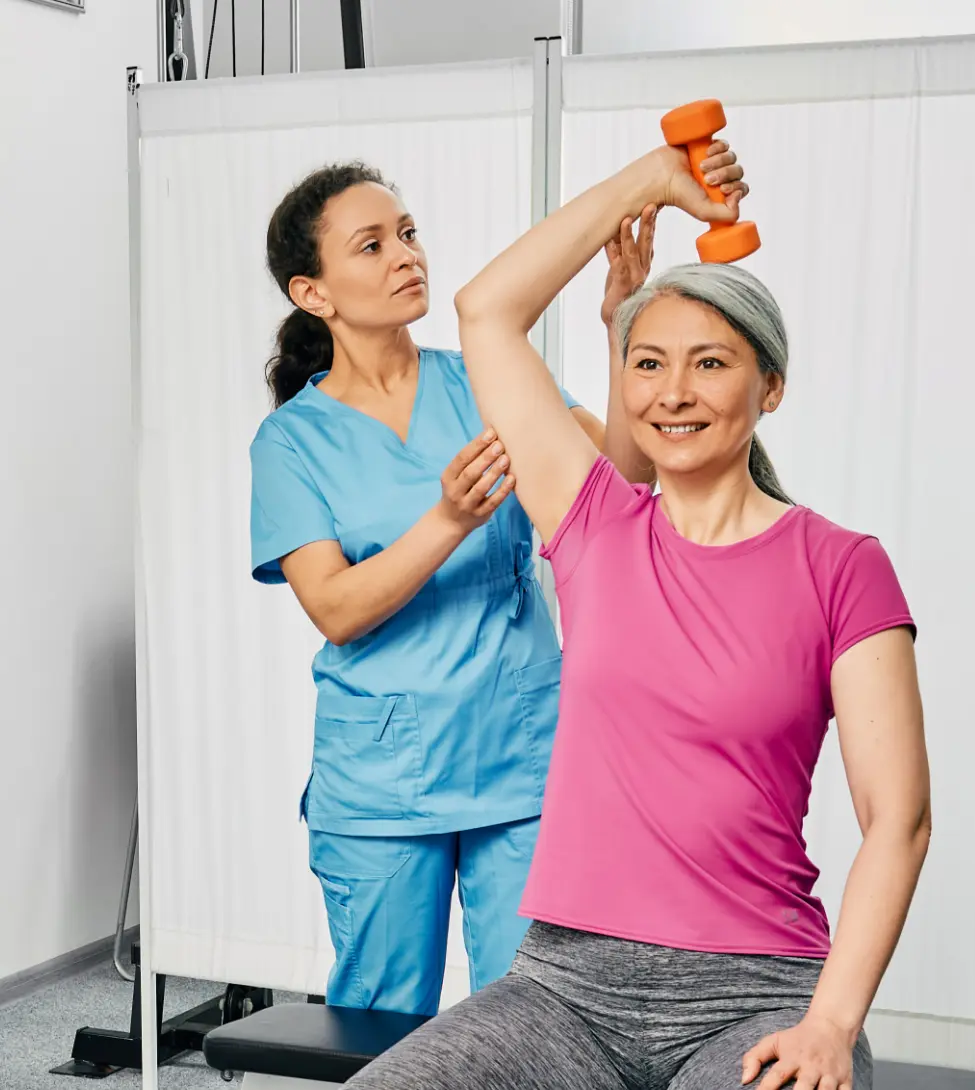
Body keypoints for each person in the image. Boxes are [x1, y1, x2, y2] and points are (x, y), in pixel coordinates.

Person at [348, 141, 931, 1090]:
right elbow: (487, 310)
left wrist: (831, 1023)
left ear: (767, 387)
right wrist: (654, 179)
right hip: (562, 990)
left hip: (760, 992)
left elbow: (897, 818)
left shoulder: (843, 567)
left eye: (710, 364)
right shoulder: (593, 526)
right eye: (647, 363)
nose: (672, 392)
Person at [248, 149, 750, 1016]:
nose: (407, 256)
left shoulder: (485, 381)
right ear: (313, 293)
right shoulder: (291, 444)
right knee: (381, 1023)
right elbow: (335, 609)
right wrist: (448, 519)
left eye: (407, 234)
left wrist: (620, 326)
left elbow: (618, 485)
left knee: (532, 1017)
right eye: (371, 246)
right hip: (381, 782)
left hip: (520, 760)